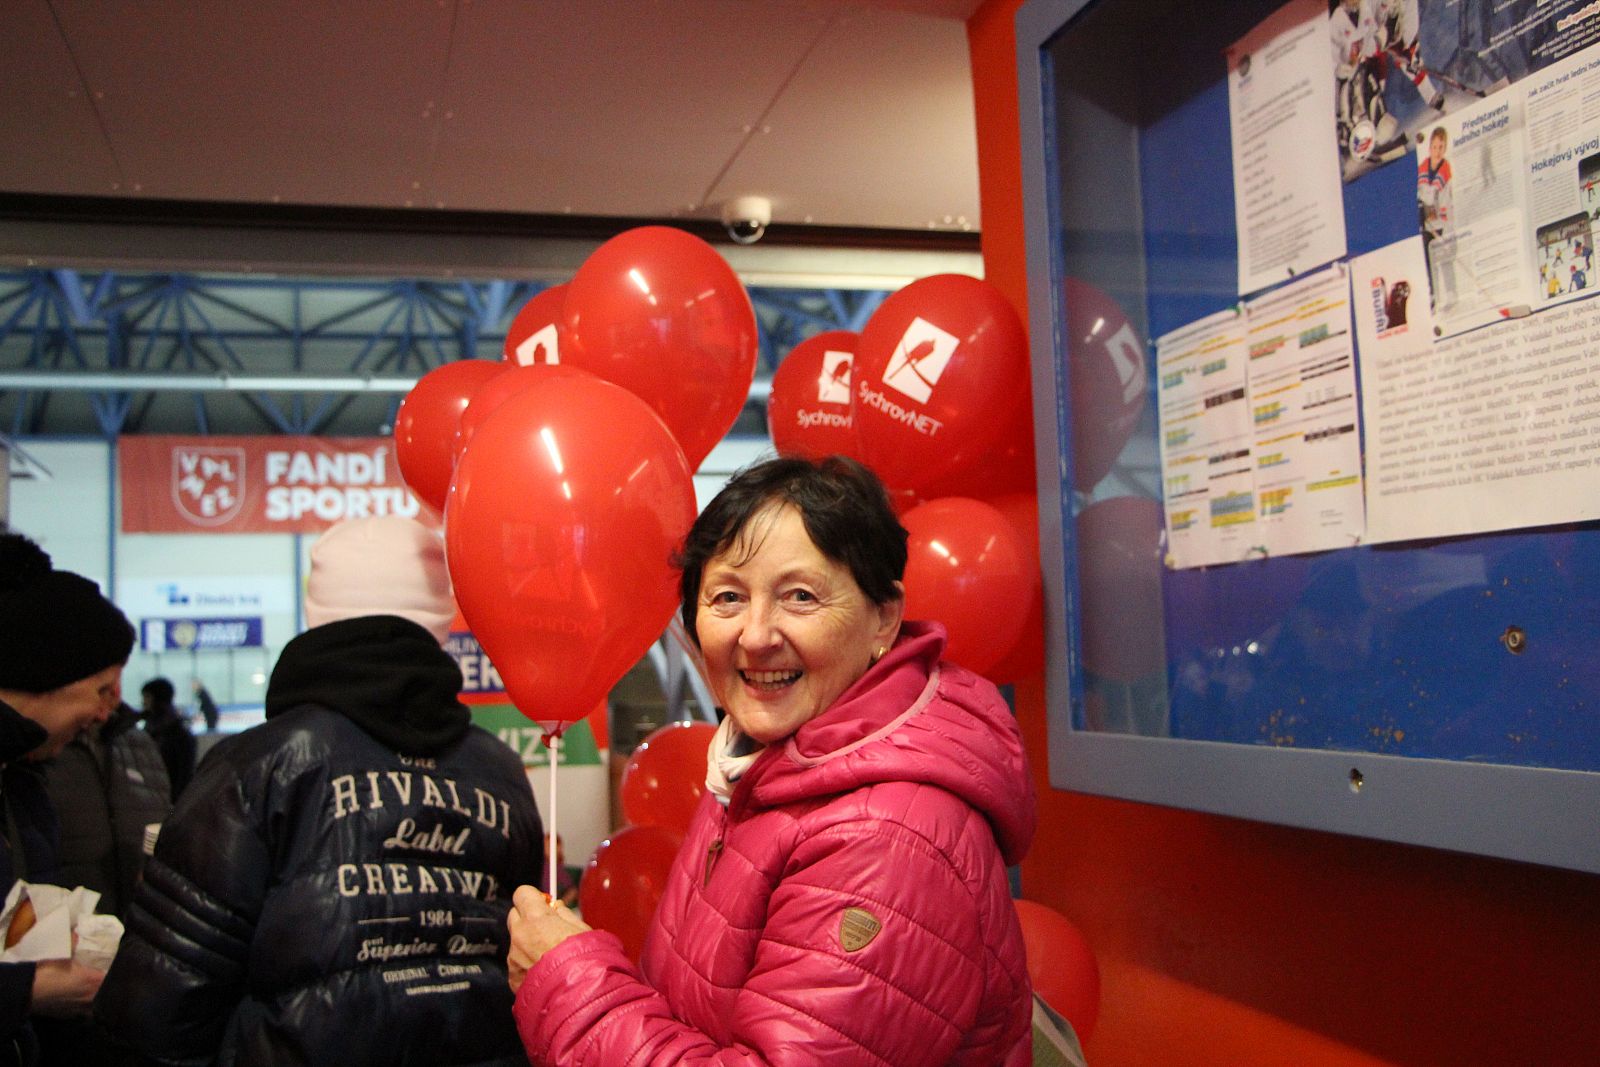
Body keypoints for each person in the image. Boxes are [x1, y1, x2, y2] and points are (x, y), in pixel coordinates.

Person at [506, 455, 1037, 1066]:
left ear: (884, 618)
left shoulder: (886, 836)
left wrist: (569, 986)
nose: (756, 636)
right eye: (728, 597)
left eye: (800, 596)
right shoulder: (763, 764)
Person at [95, 516, 544, 1066]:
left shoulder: (254, 767)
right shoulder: (501, 770)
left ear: (316, 616)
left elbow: (157, 1007)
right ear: (442, 622)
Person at [0, 531, 135, 1065]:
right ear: (46, 674)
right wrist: (26, 992)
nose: (106, 712)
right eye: (101, 690)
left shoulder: (22, 783)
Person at [42, 699, 171, 920]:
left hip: (139, 927)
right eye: (101, 687)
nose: (115, 692)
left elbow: (165, 820)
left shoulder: (140, 743)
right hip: (65, 930)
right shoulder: (43, 748)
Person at [1418, 126, 1457, 309]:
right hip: (1427, 224)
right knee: (1429, 260)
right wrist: (1423, 212)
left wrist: (1440, 215)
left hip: (1442, 222)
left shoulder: (1445, 168)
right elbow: (1421, 195)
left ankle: (1451, 294)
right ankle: (1433, 295)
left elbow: (1442, 196)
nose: (1437, 151)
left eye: (1441, 147)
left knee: (1444, 257)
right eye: (1435, 147)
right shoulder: (1422, 168)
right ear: (1429, 148)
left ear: (1445, 147)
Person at [138, 677, 195, 801]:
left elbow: (184, 775)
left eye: (147, 697)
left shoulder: (177, 734)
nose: (143, 702)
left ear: (157, 699)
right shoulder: (150, 728)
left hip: (167, 800)